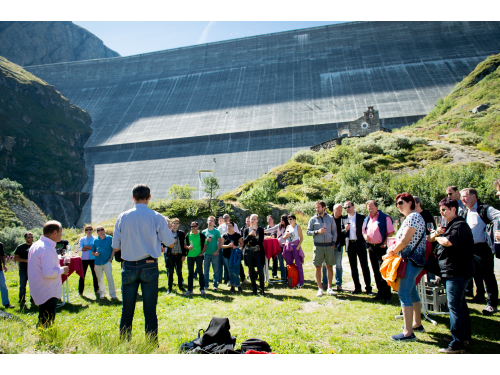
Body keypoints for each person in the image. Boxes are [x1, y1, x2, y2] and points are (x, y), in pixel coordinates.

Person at [112, 184, 174, 343]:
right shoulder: (156, 216)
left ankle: (124, 343)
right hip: (149, 264)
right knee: (150, 310)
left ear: (133, 198)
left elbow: (116, 245)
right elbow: (170, 243)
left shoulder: (123, 216)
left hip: (128, 265)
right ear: (149, 197)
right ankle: (151, 344)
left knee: (127, 310)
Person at [429, 198, 475, 353]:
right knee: (460, 306)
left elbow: (448, 242)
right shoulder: (454, 224)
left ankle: (456, 344)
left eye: (444, 210)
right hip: (457, 271)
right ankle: (463, 337)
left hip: (457, 272)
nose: (441, 213)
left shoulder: (459, 225)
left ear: (454, 209)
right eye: (440, 210)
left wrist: (438, 236)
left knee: (454, 307)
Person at [384, 193, 426, 341]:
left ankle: (408, 333)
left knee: (403, 294)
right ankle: (416, 324)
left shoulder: (413, 217)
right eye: (397, 204)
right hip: (413, 261)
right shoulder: (411, 217)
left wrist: (391, 252)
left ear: (410, 202)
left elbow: (405, 240)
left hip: (411, 261)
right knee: (412, 292)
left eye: (401, 202)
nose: (399, 206)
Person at [460, 187, 500, 315]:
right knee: (474, 274)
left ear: (474, 196)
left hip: (483, 247)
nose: (463, 199)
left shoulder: (484, 209)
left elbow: (499, 216)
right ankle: (479, 295)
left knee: (488, 275)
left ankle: (492, 304)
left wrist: (497, 229)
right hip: (470, 248)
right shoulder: (465, 211)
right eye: (461, 197)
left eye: (465, 196)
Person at [28, 221, 69, 327]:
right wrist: (62, 270)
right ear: (55, 232)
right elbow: (49, 273)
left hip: (40, 287)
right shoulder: (47, 248)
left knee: (43, 317)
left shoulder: (36, 245)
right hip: (48, 290)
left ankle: (42, 338)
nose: (61, 235)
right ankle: (47, 341)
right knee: (47, 320)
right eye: (60, 232)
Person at [363, 200, 395, 304]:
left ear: (377, 207)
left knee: (384, 272)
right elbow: (363, 231)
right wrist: (365, 236)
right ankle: (380, 292)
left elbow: (390, 232)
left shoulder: (385, 217)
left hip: (382, 247)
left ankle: (387, 296)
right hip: (371, 248)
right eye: (369, 208)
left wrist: (385, 243)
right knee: (376, 272)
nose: (370, 210)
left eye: (372, 208)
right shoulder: (367, 218)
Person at [307, 200, 338, 297]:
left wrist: (333, 244)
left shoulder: (330, 218)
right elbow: (308, 232)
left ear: (324, 208)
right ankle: (320, 289)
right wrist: (317, 232)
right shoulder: (312, 219)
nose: (317, 209)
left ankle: (329, 288)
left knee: (330, 266)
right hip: (318, 246)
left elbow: (335, 232)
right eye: (316, 207)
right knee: (318, 267)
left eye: (318, 207)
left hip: (329, 246)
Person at [342, 201, 372, 295]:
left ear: (353, 206)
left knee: (364, 266)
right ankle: (357, 287)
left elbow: (367, 229)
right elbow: (341, 232)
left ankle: (368, 288)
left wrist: (364, 241)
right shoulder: (344, 218)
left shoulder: (361, 217)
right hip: (350, 245)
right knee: (353, 267)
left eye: (349, 206)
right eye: (345, 207)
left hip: (360, 244)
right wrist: (345, 229)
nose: (347, 209)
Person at [414, 196, 438, 283]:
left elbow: (432, 229)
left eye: (412, 203)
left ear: (418, 203)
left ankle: (431, 285)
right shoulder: (410, 215)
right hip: (415, 245)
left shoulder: (427, 214)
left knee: (429, 265)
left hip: (427, 243)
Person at [322, 204, 346, 292]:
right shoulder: (328, 219)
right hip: (327, 245)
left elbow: (344, 233)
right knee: (325, 265)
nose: (339, 212)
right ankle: (325, 283)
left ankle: (338, 284)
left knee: (338, 265)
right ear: (333, 210)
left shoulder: (344, 220)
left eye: (341, 210)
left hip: (338, 245)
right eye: (337, 210)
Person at [90, 226, 117, 300]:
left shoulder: (110, 238)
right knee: (100, 279)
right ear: (97, 232)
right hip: (98, 262)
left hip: (107, 261)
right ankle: (102, 293)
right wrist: (95, 254)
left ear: (104, 231)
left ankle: (113, 294)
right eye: (99, 230)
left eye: (102, 230)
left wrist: (111, 259)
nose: (100, 231)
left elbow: (113, 249)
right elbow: (92, 251)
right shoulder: (95, 240)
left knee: (109, 278)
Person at [243, 214, 266, 295]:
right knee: (251, 271)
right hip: (249, 253)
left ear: (257, 220)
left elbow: (260, 242)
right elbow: (244, 242)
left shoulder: (260, 230)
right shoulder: (246, 230)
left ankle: (262, 288)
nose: (252, 220)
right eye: (251, 219)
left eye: (254, 219)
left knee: (260, 271)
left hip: (258, 253)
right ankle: (254, 289)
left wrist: (250, 242)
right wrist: (249, 235)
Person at [283, 214, 305, 288]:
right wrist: (286, 235)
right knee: (289, 264)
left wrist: (298, 247)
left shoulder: (297, 227)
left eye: (291, 219)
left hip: (295, 247)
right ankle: (290, 281)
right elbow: (284, 237)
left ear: (294, 219)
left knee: (298, 264)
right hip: (288, 247)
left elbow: (301, 238)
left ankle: (301, 282)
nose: (289, 221)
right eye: (288, 219)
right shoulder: (288, 227)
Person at [184, 221, 206, 296]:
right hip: (190, 256)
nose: (192, 228)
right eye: (191, 226)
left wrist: (201, 253)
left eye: (194, 226)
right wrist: (188, 247)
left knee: (200, 272)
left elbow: (205, 245)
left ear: (197, 226)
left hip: (198, 256)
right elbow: (184, 245)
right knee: (190, 273)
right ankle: (190, 290)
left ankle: (202, 289)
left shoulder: (201, 235)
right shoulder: (188, 234)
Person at [14, 232, 34, 308]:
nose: (31, 238)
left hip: (33, 270)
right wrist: (25, 260)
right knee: (22, 286)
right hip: (23, 270)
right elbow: (15, 257)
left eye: (32, 237)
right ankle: (22, 301)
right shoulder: (20, 247)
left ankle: (33, 300)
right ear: (25, 238)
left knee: (33, 285)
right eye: (29, 237)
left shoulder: (35, 246)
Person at [222, 221, 243, 293]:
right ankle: (233, 286)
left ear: (233, 227)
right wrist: (228, 246)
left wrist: (236, 247)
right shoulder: (224, 235)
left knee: (234, 271)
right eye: (228, 226)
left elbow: (242, 243)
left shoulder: (237, 235)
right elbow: (221, 246)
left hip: (234, 256)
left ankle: (238, 285)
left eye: (230, 225)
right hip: (226, 256)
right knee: (230, 271)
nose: (229, 227)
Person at [166, 218, 186, 294]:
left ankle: (180, 286)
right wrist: (172, 241)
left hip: (179, 255)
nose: (175, 224)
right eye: (174, 223)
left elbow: (184, 245)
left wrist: (184, 255)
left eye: (177, 223)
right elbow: (165, 244)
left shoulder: (181, 233)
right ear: (172, 224)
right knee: (170, 272)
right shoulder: (168, 233)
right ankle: (169, 288)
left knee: (179, 271)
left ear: (179, 225)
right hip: (171, 255)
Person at [78, 225, 99, 297]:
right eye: (88, 229)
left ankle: (97, 290)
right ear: (85, 231)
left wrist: (86, 247)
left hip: (93, 259)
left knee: (95, 275)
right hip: (84, 259)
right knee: (82, 275)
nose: (89, 231)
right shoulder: (82, 239)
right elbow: (80, 248)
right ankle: (80, 291)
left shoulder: (96, 238)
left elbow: (96, 248)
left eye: (90, 229)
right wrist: (90, 247)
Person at [202, 216, 223, 291]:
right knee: (206, 271)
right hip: (206, 254)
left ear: (214, 223)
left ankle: (215, 285)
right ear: (207, 222)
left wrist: (217, 251)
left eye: (212, 221)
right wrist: (205, 241)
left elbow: (220, 241)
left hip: (214, 254)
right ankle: (206, 285)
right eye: (209, 220)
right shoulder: (204, 232)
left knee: (216, 271)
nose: (210, 222)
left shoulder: (216, 231)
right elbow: (201, 243)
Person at [264, 215, 287, 281]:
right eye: (281, 219)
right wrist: (263, 231)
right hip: (279, 246)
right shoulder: (278, 226)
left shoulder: (288, 227)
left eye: (282, 220)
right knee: (281, 261)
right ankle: (283, 277)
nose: (281, 221)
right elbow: (270, 229)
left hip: (286, 246)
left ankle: (289, 275)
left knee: (288, 261)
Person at [0, 241, 15, 309]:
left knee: (3, 286)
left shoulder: (0, 245)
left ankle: (6, 303)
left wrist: (4, 265)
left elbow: (3, 255)